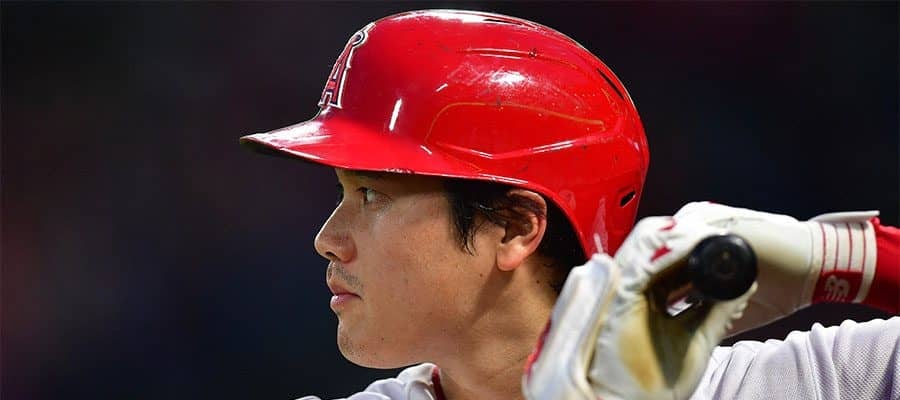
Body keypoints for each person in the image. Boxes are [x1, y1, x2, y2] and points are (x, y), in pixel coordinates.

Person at [240, 9, 899, 400]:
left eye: (371, 194)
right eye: (343, 193)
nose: (328, 238)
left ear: (516, 227)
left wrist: (851, 258)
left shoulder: (779, 386)